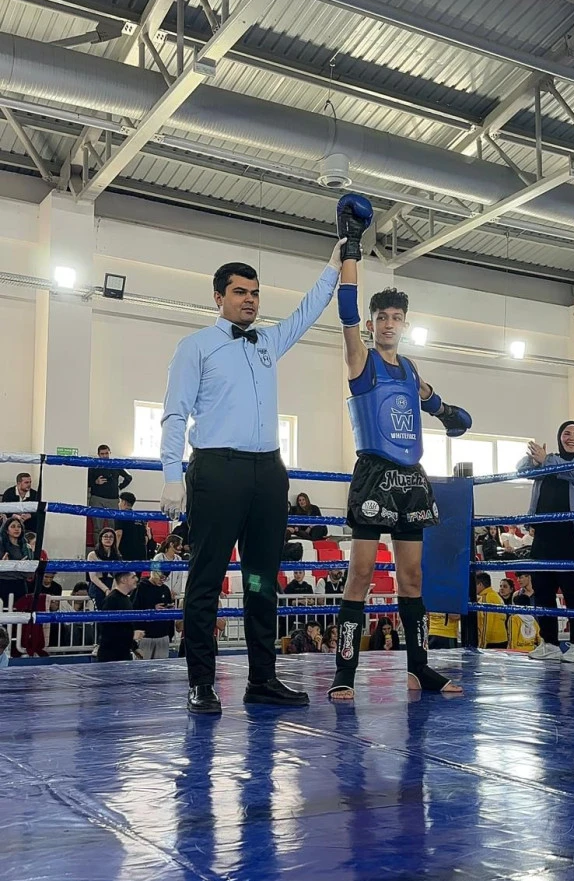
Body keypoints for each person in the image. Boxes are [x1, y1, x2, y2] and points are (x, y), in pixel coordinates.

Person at [160, 245, 343, 713]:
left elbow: (307, 311)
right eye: (240, 292)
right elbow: (175, 414)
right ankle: (201, 682)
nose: (249, 300)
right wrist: (171, 474)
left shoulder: (268, 342)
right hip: (217, 470)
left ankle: (262, 678)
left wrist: (334, 263)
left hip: (268, 472)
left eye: (255, 293)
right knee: (206, 580)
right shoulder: (195, 346)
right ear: (218, 297)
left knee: (262, 579)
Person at [329, 198, 469, 699]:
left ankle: (419, 668)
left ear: (405, 323)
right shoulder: (360, 359)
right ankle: (344, 674)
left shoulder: (410, 369)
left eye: (396, 317)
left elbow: (434, 403)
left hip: (411, 478)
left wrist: (450, 416)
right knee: (361, 575)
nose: (388, 323)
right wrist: (351, 247)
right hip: (374, 474)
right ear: (372, 324)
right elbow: (346, 311)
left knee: (412, 579)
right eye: (381, 317)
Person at [518, 421, 574, 663]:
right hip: (545, 534)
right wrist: (535, 461)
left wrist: (547, 462)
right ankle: (550, 643)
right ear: (559, 437)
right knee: (543, 590)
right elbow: (522, 470)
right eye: (566, 433)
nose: (571, 438)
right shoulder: (548, 459)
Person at [87, 445, 133, 535]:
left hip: (113, 499)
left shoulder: (115, 464)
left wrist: (119, 487)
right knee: (98, 527)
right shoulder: (94, 466)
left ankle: (113, 544)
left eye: (106, 453)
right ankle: (98, 544)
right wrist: (95, 482)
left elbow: (129, 477)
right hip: (97, 498)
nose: (105, 456)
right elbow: (85, 482)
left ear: (109, 453)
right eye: (102, 454)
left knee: (114, 526)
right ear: (98, 454)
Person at [97, 571, 140, 662]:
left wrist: (134, 647)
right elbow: (107, 629)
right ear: (123, 580)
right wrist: (132, 635)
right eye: (133, 577)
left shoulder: (125, 599)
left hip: (122, 652)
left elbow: (126, 625)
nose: (136, 579)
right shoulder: (112, 600)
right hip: (111, 655)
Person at [133, 566, 175, 659]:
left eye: (165, 578)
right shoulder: (140, 588)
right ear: (154, 573)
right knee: (142, 666)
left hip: (163, 635)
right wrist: (152, 608)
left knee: (162, 667)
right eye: (161, 577)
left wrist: (170, 610)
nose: (162, 580)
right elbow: (134, 609)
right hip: (145, 636)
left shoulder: (165, 589)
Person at [0, 517, 32, 607]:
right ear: (7, 530)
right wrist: (5, 565)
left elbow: (30, 572)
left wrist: (19, 567)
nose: (17, 529)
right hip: (3, 584)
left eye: (19, 526)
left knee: (20, 610)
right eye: (13, 526)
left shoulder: (26, 547)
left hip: (20, 584)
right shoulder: (1, 545)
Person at [86, 527, 121, 608]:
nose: (108, 539)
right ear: (100, 538)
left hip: (112, 585)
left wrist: (113, 590)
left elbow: (117, 575)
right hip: (97, 586)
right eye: (105, 536)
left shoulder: (117, 556)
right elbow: (93, 577)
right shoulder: (92, 555)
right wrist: (106, 590)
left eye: (111, 537)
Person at [475, 573, 508, 649]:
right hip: (502, 639)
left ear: (480, 584)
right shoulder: (495, 595)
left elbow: (486, 623)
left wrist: (482, 644)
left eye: (475, 585)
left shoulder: (487, 597)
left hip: (492, 641)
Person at [115, 492, 148, 563]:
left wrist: (115, 549)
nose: (118, 504)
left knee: (125, 570)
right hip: (141, 553)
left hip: (126, 552)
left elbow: (118, 534)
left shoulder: (121, 515)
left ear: (123, 502)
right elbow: (146, 538)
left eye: (120, 501)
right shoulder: (139, 517)